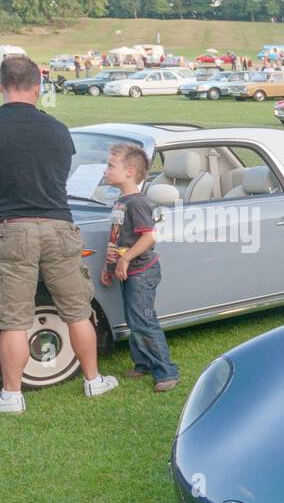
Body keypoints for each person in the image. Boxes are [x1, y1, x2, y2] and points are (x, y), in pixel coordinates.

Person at [0, 56, 118, 414]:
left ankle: (12, 395)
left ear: (2, 87)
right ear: (38, 87)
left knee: (13, 317)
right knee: (77, 310)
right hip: (58, 225)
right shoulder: (58, 129)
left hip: (13, 229)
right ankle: (93, 380)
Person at [98, 144, 179, 392]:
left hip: (142, 272)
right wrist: (108, 264)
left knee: (144, 320)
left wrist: (125, 259)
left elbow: (149, 237)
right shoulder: (121, 201)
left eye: (111, 166)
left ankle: (166, 371)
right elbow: (117, 237)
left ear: (130, 171)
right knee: (134, 319)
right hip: (128, 271)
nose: (106, 170)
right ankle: (143, 363)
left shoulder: (138, 203)